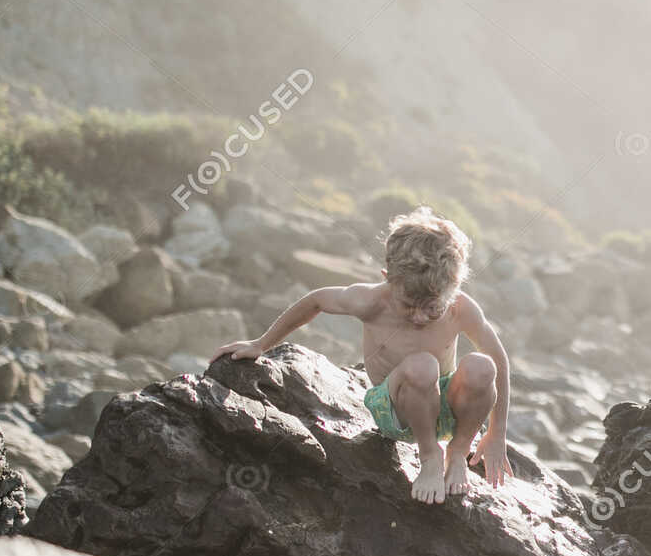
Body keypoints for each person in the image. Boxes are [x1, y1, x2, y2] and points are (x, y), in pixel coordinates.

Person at [212, 208, 510, 503]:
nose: (419, 317)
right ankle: (430, 455)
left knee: (482, 366)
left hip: (445, 407)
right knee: (423, 366)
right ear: (388, 279)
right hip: (396, 409)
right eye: (408, 305)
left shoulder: (461, 308)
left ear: (453, 290)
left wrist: (496, 434)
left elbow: (499, 360)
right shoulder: (370, 301)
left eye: (433, 308)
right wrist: (261, 344)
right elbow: (315, 301)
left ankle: (456, 452)